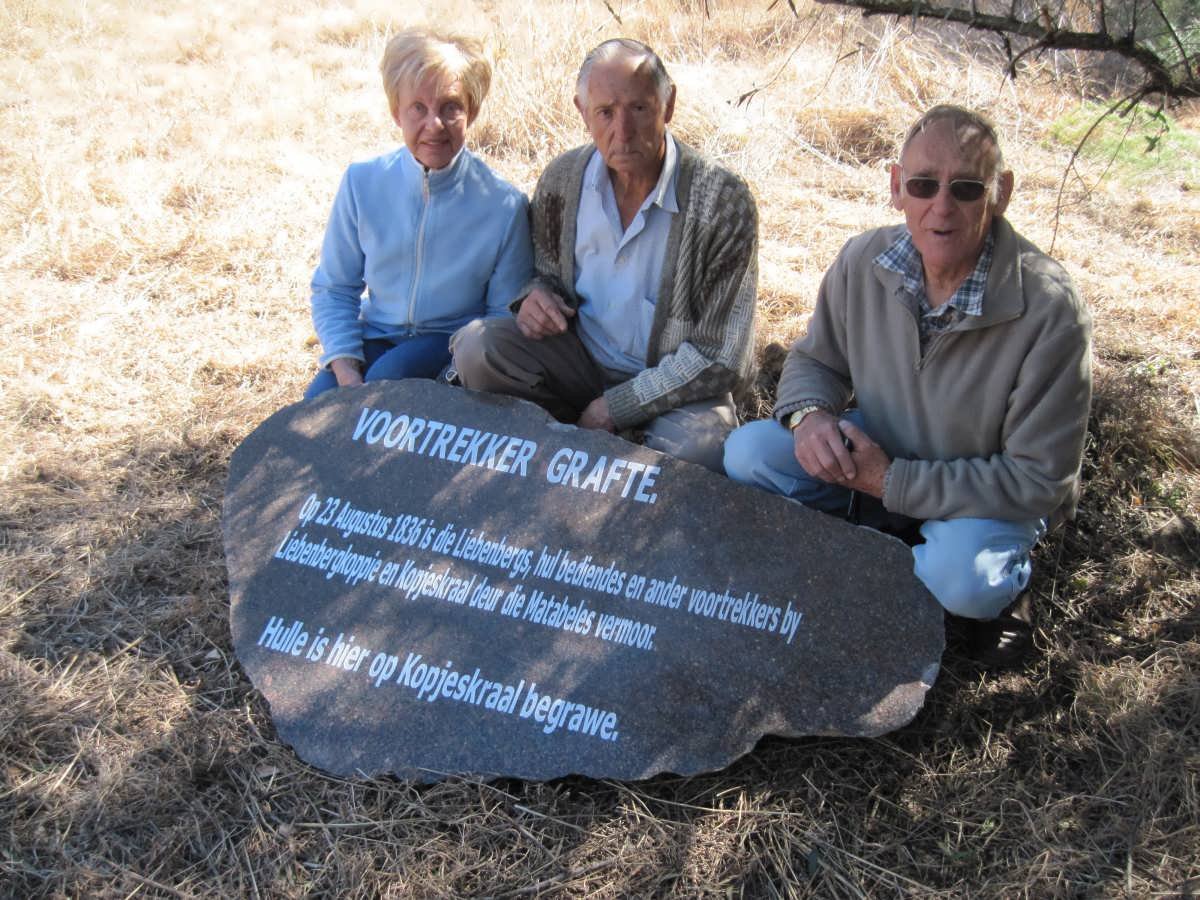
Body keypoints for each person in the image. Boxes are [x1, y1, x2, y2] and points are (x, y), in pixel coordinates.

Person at [724, 105, 1092, 665]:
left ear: (1001, 193)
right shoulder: (861, 260)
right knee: (748, 454)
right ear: (897, 186)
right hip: (883, 453)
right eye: (923, 184)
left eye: (966, 188)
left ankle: (1002, 584)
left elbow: (1037, 480)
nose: (941, 206)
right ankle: (890, 541)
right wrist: (810, 417)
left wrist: (891, 482)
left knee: (964, 583)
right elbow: (815, 361)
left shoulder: (1050, 309)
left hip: (982, 493)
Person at [450, 38, 757, 472]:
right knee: (477, 348)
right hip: (582, 363)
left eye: (639, 108)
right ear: (582, 111)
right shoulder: (562, 179)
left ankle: (595, 444)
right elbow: (546, 274)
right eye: (606, 112)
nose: (623, 132)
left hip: (676, 385)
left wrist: (617, 406)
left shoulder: (721, 201)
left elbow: (721, 354)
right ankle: (554, 457)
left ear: (668, 105)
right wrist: (535, 299)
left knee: (701, 448)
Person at [304, 28, 533, 400]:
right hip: (376, 334)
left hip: (448, 344)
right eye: (418, 108)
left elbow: (500, 318)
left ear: (472, 112)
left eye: (450, 107)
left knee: (389, 380)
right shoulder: (362, 183)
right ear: (396, 111)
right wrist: (346, 371)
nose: (434, 125)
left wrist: (457, 374)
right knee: (316, 408)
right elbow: (334, 286)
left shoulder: (504, 205)